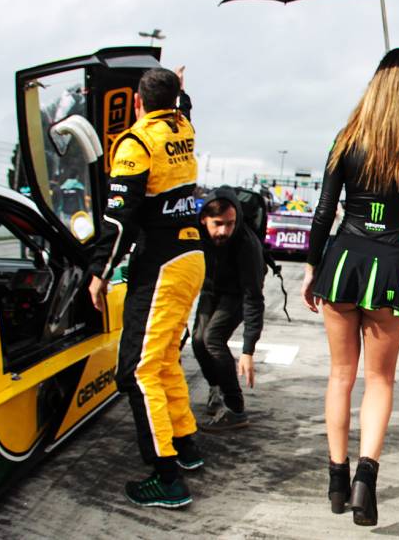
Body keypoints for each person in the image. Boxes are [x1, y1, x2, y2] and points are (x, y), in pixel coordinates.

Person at [300, 48, 399, 527]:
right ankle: (366, 478)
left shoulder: (345, 139)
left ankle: (336, 478)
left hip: (343, 260)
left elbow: (324, 211)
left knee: (341, 374)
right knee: (380, 380)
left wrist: (310, 268)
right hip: (393, 263)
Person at [87, 66, 205, 509]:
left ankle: (166, 476)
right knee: (163, 361)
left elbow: (119, 217)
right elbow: (185, 107)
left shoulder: (135, 143)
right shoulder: (184, 127)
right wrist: (180, 90)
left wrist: (100, 270)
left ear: (138, 102)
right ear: (174, 99)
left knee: (137, 370)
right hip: (191, 257)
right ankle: (186, 445)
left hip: (162, 263)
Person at [192, 186, 266, 431]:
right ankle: (216, 389)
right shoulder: (194, 233)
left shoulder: (246, 243)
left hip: (238, 292)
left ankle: (235, 409)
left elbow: (254, 297)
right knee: (198, 341)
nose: (224, 231)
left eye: (230, 223)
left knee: (213, 338)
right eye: (218, 224)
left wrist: (248, 350)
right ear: (204, 220)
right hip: (210, 288)